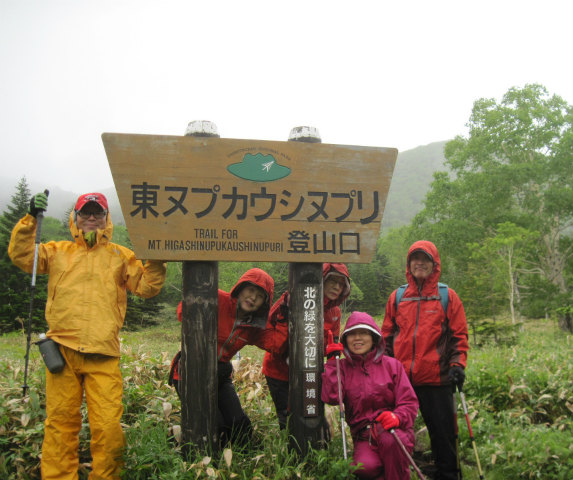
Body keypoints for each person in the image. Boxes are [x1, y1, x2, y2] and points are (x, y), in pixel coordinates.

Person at [8, 191, 167, 480]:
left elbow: (147, 288)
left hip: (103, 355)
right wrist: (30, 219)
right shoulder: (57, 251)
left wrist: (156, 259)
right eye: (85, 212)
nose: (91, 218)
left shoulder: (122, 256)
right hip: (62, 352)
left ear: (107, 219)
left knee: (107, 428)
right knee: (60, 424)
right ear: (75, 218)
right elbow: (21, 256)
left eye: (98, 213)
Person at [170, 267, 287, 446]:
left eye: (260, 295)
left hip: (221, 376)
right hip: (191, 373)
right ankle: (190, 449)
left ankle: (244, 463)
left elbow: (276, 344)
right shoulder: (216, 298)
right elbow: (182, 312)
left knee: (239, 425)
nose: (253, 297)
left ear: (265, 302)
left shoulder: (254, 325)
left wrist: (283, 317)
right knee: (213, 426)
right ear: (240, 287)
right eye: (251, 289)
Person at [382, 240, 469, 480]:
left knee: (443, 434)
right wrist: (385, 369)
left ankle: (448, 474)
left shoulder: (447, 297)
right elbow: (386, 337)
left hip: (437, 379)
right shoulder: (398, 297)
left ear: (434, 264)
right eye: (415, 259)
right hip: (401, 381)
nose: (420, 263)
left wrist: (457, 365)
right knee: (396, 430)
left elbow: (458, 336)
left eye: (425, 259)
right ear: (409, 264)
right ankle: (398, 472)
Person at [322, 311, 419, 480]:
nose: (357, 338)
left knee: (390, 443)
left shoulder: (392, 366)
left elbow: (409, 401)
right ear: (345, 341)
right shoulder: (343, 367)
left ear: (374, 337)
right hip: (364, 436)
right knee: (365, 468)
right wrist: (331, 364)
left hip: (394, 430)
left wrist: (397, 417)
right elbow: (332, 397)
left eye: (363, 333)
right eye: (351, 334)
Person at [261, 263, 351, 430]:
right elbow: (269, 328)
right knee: (288, 418)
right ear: (321, 279)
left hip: (309, 372)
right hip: (279, 371)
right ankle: (291, 453)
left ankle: (317, 449)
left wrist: (332, 349)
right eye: (333, 281)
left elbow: (330, 343)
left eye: (341, 284)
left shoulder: (335, 312)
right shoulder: (292, 298)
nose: (337, 287)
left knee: (313, 415)